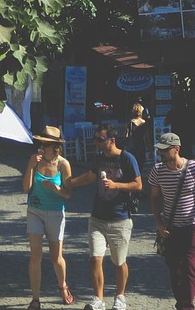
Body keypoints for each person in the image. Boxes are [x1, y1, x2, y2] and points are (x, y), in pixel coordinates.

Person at [65, 124, 142, 310]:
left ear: (112, 140)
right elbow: (90, 177)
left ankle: (120, 296)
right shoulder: (99, 159)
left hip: (120, 218)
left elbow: (138, 185)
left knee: (119, 261)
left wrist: (117, 186)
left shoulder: (127, 158)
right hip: (97, 217)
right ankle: (98, 299)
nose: (96, 142)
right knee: (95, 258)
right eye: (96, 139)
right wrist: (68, 183)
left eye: (100, 139)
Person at [148, 133, 195, 310]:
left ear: (176, 149)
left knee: (190, 265)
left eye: (164, 150)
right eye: (159, 150)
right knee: (175, 268)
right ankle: (181, 304)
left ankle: (187, 306)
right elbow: (153, 199)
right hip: (171, 227)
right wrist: (159, 224)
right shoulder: (157, 171)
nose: (160, 153)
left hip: (193, 225)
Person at [22, 125, 75, 310]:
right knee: (35, 255)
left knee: (56, 257)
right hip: (34, 211)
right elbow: (26, 188)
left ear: (55, 147)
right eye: (41, 144)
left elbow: (68, 194)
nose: (42, 148)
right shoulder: (35, 161)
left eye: (46, 145)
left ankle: (63, 286)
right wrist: (29, 166)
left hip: (55, 213)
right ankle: (35, 299)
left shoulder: (63, 164)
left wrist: (56, 189)